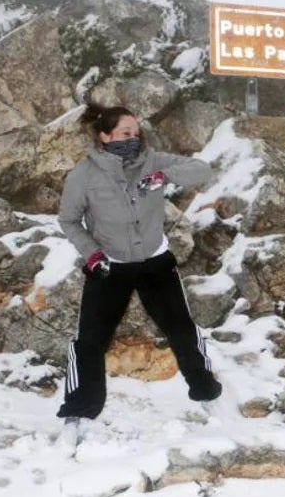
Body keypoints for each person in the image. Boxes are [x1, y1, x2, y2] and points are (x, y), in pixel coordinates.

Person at [56, 103, 221, 426]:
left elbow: (202, 170)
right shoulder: (84, 174)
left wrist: (164, 176)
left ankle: (206, 393)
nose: (133, 138)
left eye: (136, 132)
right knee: (90, 341)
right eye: (124, 133)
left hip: (155, 264)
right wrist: (91, 253)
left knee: (182, 331)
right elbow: (69, 219)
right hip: (109, 266)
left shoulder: (152, 161)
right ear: (105, 136)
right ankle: (79, 410)